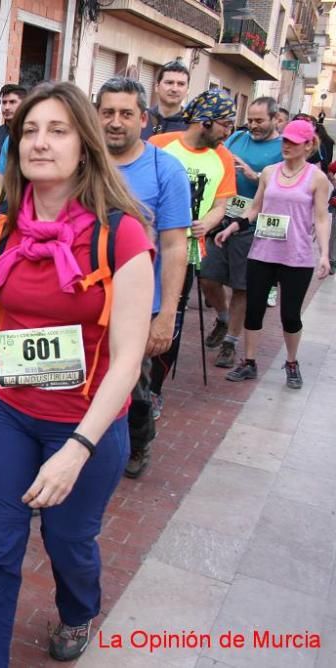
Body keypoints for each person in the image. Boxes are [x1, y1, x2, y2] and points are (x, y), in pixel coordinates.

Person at [0, 81, 154, 666]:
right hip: (5, 413)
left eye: (58, 130)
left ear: (84, 146)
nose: (41, 142)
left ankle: (78, 608)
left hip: (84, 423)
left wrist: (77, 449)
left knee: (67, 541)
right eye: (30, 130)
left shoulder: (122, 235)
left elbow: (129, 357)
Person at [97, 77, 190, 478]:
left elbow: (174, 246)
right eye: (107, 113)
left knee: (132, 391)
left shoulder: (166, 170)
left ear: (144, 118)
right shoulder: (79, 160)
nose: (115, 122)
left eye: (125, 114)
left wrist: (166, 314)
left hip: (135, 310)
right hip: (79, 302)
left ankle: (138, 442)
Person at [217, 119, 331, 389]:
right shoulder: (269, 172)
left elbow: (322, 218)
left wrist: (325, 254)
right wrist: (233, 226)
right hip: (263, 252)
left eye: (293, 142)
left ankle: (292, 362)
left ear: (308, 145)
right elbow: (255, 209)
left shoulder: (317, 178)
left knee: (290, 316)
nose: (286, 145)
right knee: (254, 311)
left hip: (297, 256)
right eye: (285, 140)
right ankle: (249, 361)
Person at [148, 89, 237, 414]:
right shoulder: (160, 145)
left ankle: (154, 388)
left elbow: (221, 204)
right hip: (146, 248)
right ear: (206, 120)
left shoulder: (223, 157)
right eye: (226, 124)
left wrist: (208, 223)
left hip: (186, 253)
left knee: (171, 318)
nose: (229, 132)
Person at [201, 97, 282, 369]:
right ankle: (223, 319)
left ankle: (231, 343)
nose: (253, 125)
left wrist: (256, 177)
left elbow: (287, 186)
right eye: (250, 119)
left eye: (260, 121)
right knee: (207, 276)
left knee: (241, 287)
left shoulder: (282, 148)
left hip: (253, 225)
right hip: (222, 217)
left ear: (274, 119)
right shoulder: (236, 137)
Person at [141, 60, 190, 140]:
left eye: (181, 84)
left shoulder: (192, 128)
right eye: (169, 83)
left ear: (187, 90)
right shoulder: (141, 118)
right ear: (157, 87)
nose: (174, 89)